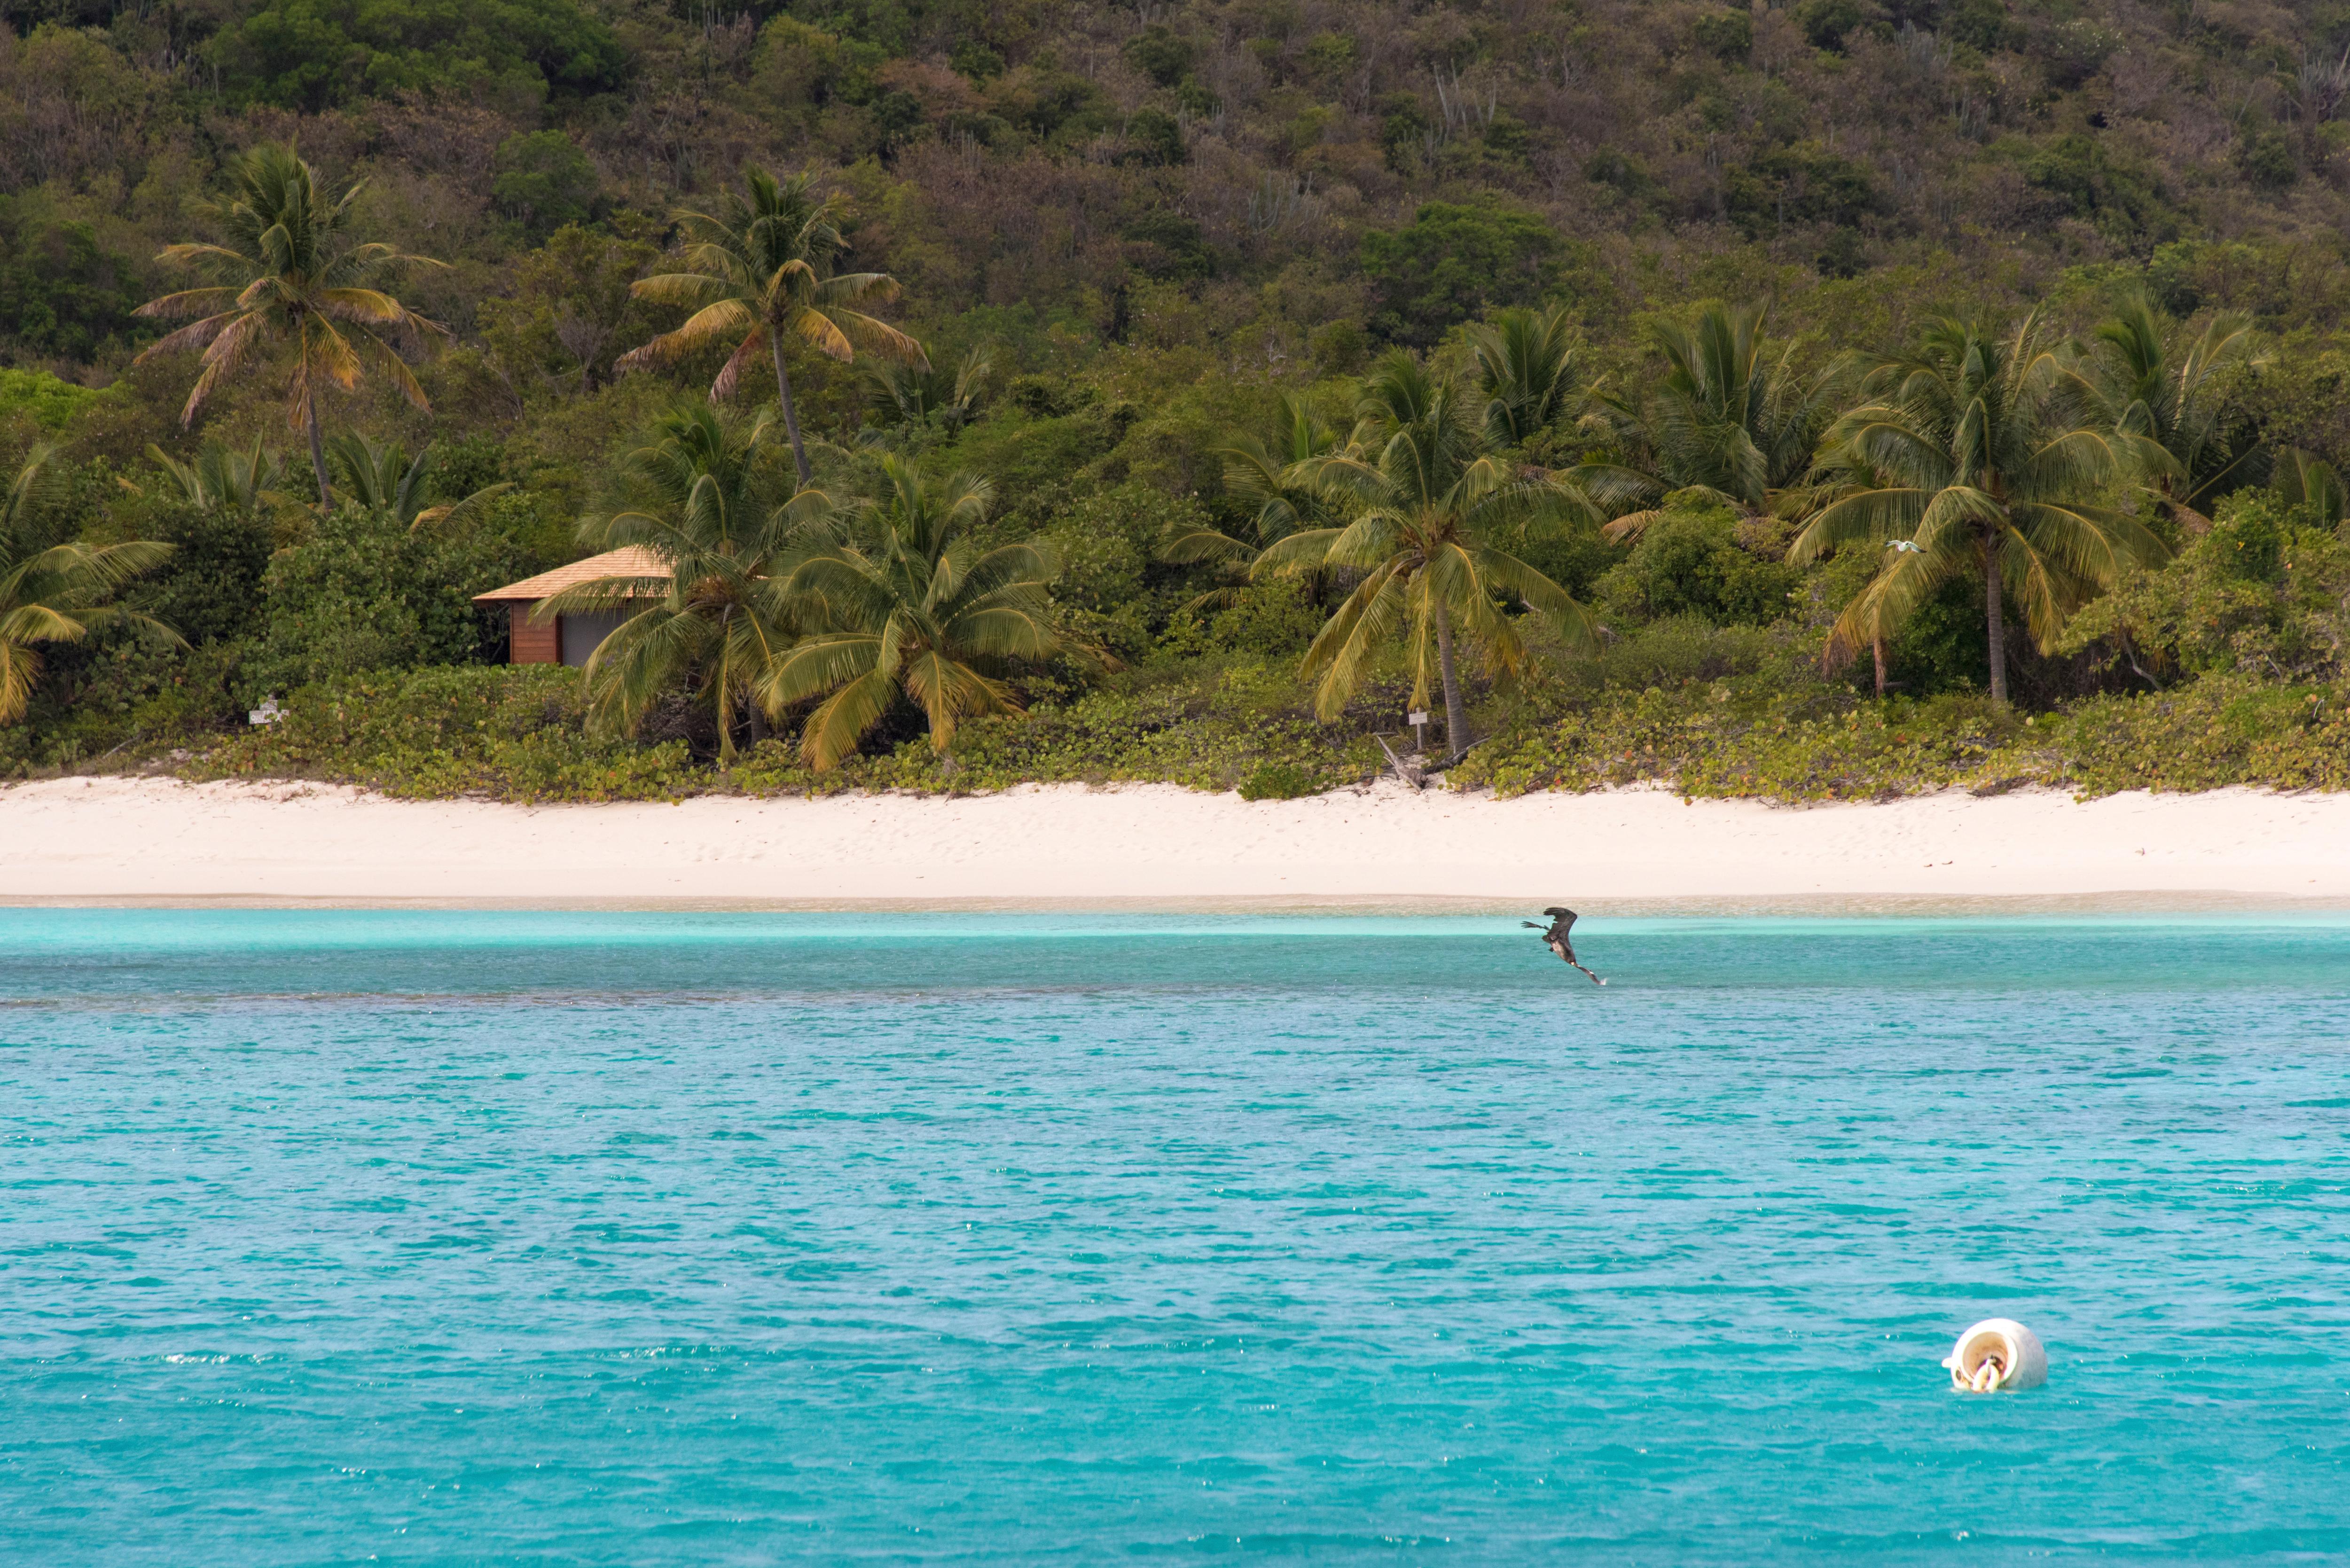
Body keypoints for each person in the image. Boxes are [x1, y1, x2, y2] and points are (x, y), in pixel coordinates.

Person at [1523, 906, 1604, 985]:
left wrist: (1538, 927)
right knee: (1572, 916)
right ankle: (1597, 982)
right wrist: (1539, 927)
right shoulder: (1564, 943)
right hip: (1556, 940)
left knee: (1576, 964)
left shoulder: (1572, 960)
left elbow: (1585, 970)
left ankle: (1597, 982)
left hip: (1554, 941)